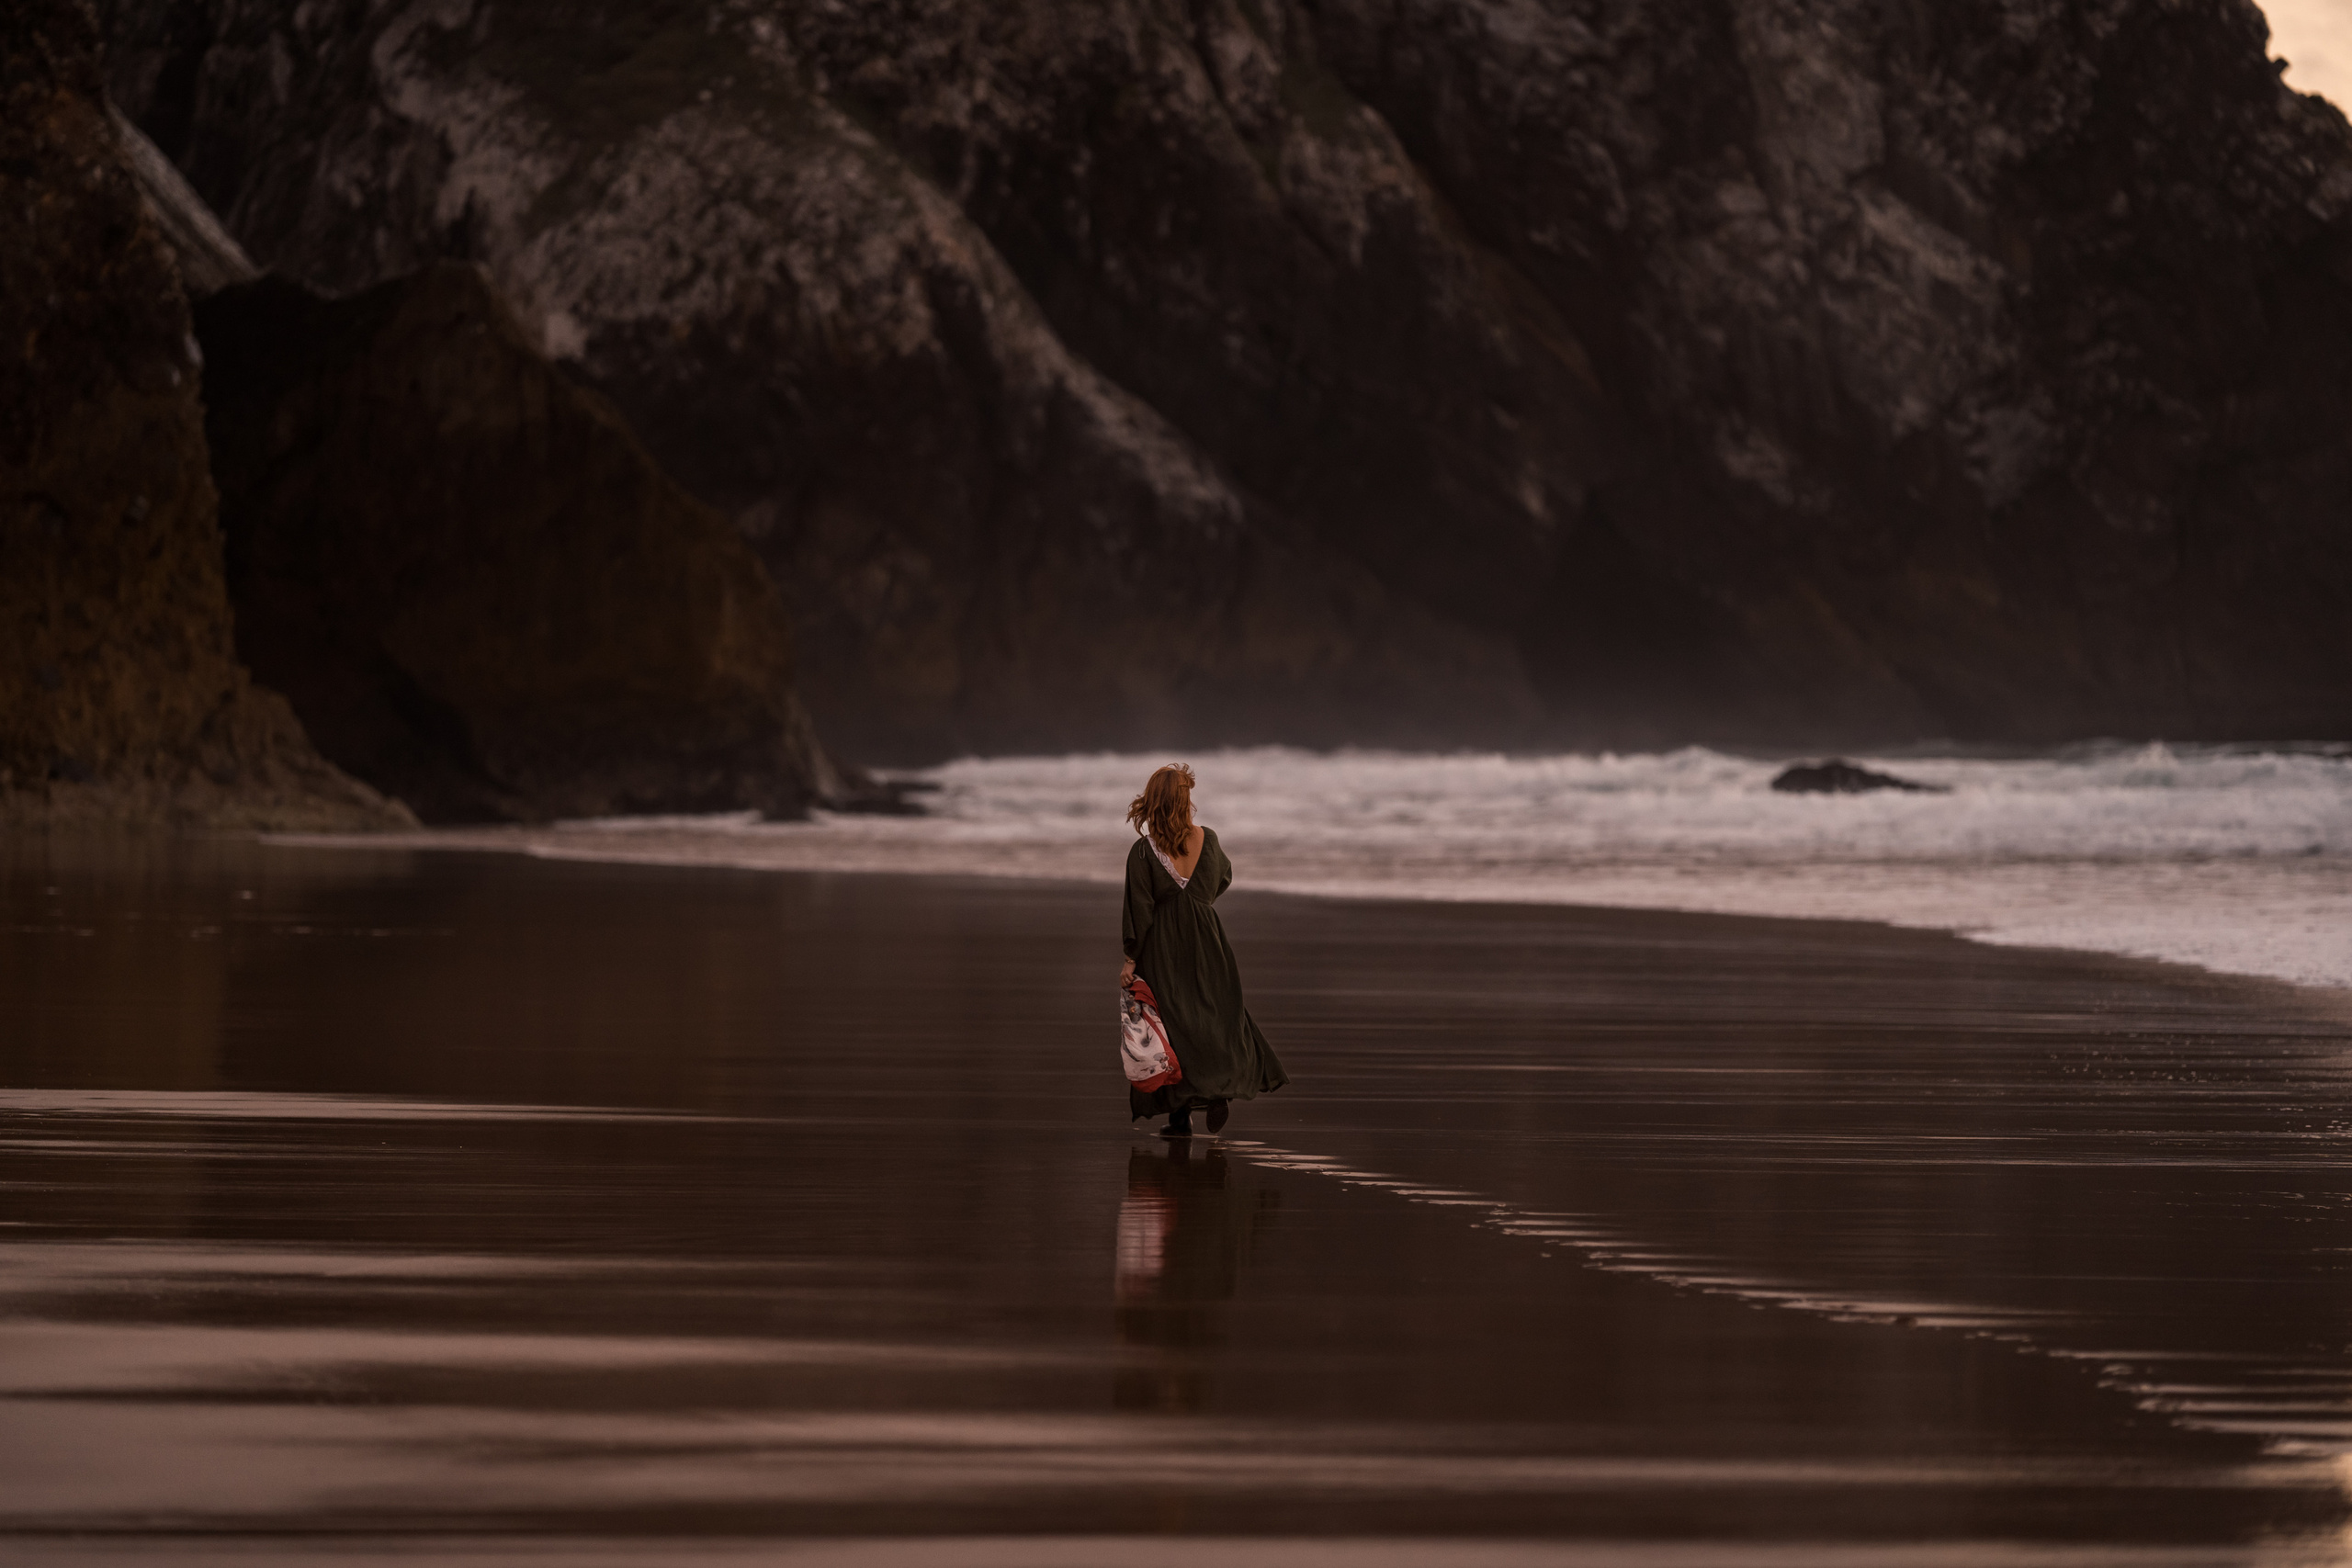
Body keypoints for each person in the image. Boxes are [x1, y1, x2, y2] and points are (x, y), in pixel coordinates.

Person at [1119, 763, 1288, 1137]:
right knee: (1215, 1016)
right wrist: (1195, 905)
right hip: (1208, 941)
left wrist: (1131, 958)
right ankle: (1217, 1092)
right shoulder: (1207, 839)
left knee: (1171, 1025)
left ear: (1153, 801)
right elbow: (1221, 878)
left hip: (1162, 947)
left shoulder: (1143, 852)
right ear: (1184, 801)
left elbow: (1139, 909)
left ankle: (1180, 1118)